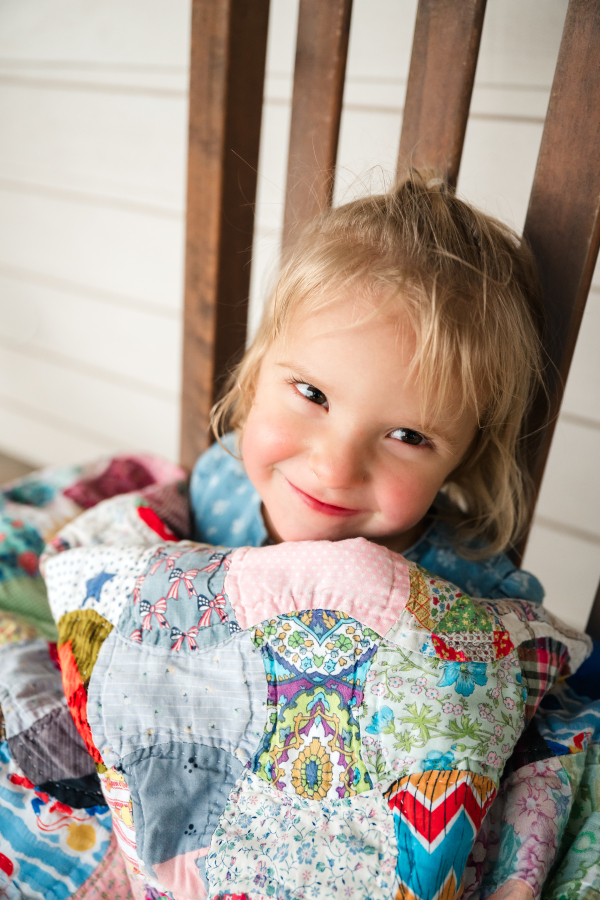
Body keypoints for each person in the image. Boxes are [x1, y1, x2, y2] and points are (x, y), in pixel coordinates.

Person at [190, 169, 546, 604]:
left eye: (407, 436)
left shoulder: (470, 593)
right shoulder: (217, 484)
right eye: (312, 395)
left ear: (466, 457)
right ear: (253, 381)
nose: (336, 471)